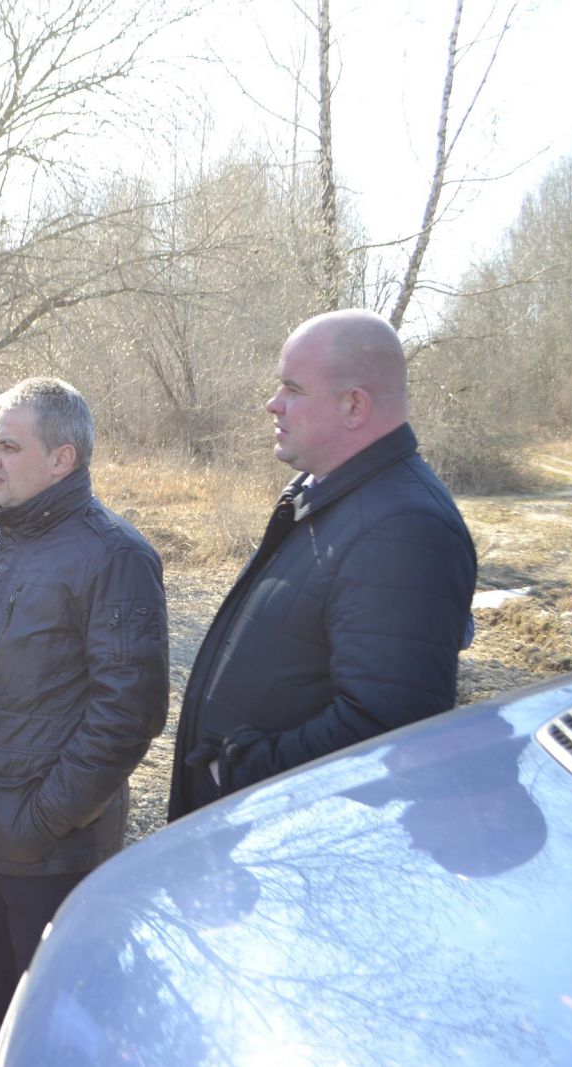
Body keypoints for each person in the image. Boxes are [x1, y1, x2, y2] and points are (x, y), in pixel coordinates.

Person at [0, 376, 170, 1064]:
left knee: (60, 1027)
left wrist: (43, 818)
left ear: (62, 459)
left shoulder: (115, 556)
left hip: (51, 853)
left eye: (7, 445)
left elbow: (129, 714)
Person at [167, 308, 477, 821]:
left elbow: (386, 730)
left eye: (292, 388)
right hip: (245, 833)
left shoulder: (404, 528)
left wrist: (237, 772)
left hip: (278, 842)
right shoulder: (330, 494)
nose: (273, 404)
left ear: (354, 405)